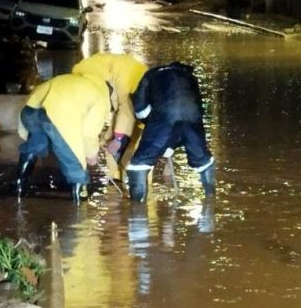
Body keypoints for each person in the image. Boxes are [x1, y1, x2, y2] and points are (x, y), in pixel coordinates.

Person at [14, 71, 114, 204]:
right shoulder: (100, 96)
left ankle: (19, 185)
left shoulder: (74, 80)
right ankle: (79, 206)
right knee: (73, 158)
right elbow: (89, 132)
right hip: (56, 116)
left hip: (30, 110)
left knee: (35, 144)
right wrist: (92, 155)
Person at [126, 62, 215, 203]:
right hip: (193, 118)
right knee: (203, 159)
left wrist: (151, 125)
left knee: (140, 162)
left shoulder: (151, 74)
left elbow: (140, 108)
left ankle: (137, 210)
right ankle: (211, 200)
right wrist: (171, 142)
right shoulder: (189, 76)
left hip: (164, 119)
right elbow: (197, 103)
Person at [71, 53, 148, 165]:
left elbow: (126, 109)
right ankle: (118, 171)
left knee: (131, 144)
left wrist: (118, 138)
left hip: (136, 99)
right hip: (120, 88)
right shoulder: (85, 76)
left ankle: (130, 172)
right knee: (114, 141)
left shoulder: (125, 79)